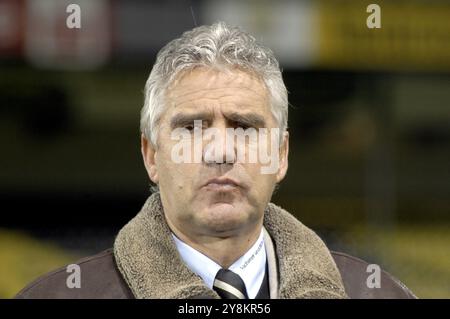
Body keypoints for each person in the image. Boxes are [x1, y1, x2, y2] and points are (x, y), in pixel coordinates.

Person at [16, 22, 415, 299]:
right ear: (151, 156)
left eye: (245, 126)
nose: (221, 150)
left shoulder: (376, 292)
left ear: (280, 155)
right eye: (192, 128)